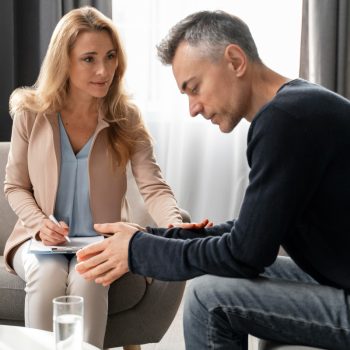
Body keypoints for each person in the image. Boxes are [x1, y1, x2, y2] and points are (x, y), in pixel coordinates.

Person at [75, 10, 350, 350]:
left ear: (234, 60)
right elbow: (254, 231)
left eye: (194, 88)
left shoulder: (285, 121)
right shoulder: (298, 105)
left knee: (208, 296)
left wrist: (138, 251)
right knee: (219, 278)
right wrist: (152, 236)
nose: (192, 108)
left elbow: (246, 254)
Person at [3, 6, 184, 350]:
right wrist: (40, 223)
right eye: (89, 59)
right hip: (37, 238)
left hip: (102, 243)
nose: (103, 70)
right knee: (48, 275)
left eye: (110, 56)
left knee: (90, 280)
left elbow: (153, 185)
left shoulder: (125, 117)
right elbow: (15, 186)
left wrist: (175, 228)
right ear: (64, 62)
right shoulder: (31, 113)